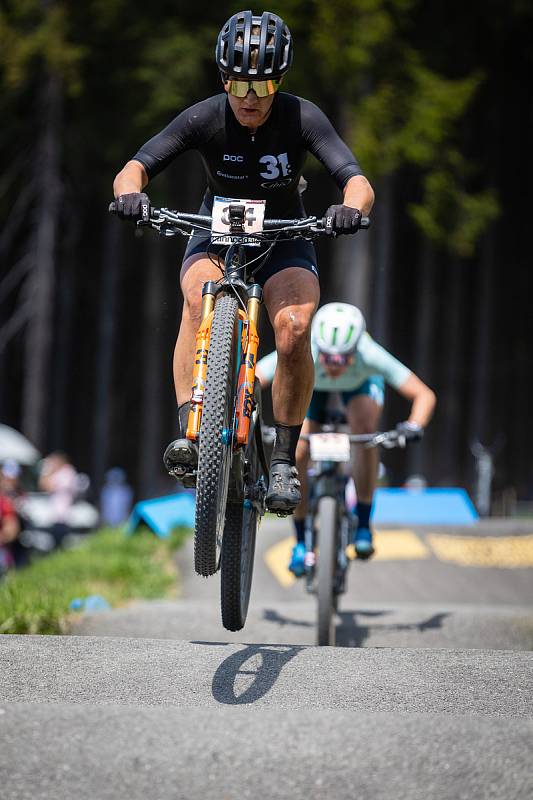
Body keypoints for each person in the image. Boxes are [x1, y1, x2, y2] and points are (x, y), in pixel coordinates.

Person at [112, 10, 374, 514]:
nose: (249, 98)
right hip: (216, 230)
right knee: (196, 301)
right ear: (222, 77)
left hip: (284, 234)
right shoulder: (204, 116)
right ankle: (192, 427)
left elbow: (357, 181)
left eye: (263, 84)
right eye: (237, 83)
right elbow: (136, 167)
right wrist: (131, 195)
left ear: (281, 81)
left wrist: (350, 209)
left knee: (295, 328)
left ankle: (282, 458)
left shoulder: (302, 117)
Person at [256, 302, 436, 572]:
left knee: (365, 433)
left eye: (342, 358)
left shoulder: (369, 353)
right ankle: (301, 539)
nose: (334, 364)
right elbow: (254, 378)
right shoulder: (309, 349)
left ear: (356, 349)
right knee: (298, 449)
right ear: (318, 346)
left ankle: (363, 523)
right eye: (328, 357)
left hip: (360, 387)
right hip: (313, 387)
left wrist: (413, 425)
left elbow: (424, 395)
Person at [38, 452, 78, 547]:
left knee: (59, 544)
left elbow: (47, 486)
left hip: (62, 516)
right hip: (56, 515)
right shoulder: (59, 473)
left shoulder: (66, 472)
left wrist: (47, 471)